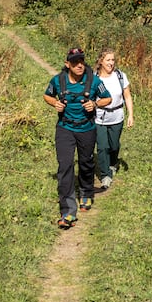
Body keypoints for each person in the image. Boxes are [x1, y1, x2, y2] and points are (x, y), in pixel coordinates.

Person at [43, 48, 111, 229]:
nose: (79, 65)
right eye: (74, 62)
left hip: (87, 129)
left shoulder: (94, 81)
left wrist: (95, 103)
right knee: (65, 166)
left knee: (86, 162)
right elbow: (47, 95)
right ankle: (67, 211)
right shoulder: (58, 81)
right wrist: (55, 103)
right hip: (65, 128)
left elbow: (108, 99)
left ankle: (86, 192)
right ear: (67, 64)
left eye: (81, 61)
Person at [94, 48, 134, 190]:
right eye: (108, 60)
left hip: (117, 116)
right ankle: (105, 175)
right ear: (100, 61)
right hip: (99, 117)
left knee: (114, 145)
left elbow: (127, 96)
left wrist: (131, 115)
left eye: (113, 60)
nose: (111, 63)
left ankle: (113, 162)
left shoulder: (120, 76)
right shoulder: (94, 78)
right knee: (102, 147)